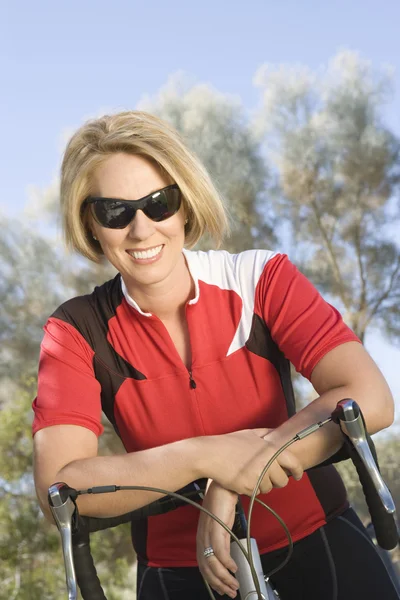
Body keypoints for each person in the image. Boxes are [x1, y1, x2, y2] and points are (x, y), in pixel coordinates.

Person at [32, 110, 399, 600]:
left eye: (159, 203)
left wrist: (236, 479)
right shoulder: (75, 330)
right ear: (91, 225)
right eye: (115, 211)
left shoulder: (262, 278)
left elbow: (371, 399)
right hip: (174, 575)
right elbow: (59, 486)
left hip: (323, 541)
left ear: (184, 206)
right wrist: (205, 457)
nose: (142, 230)